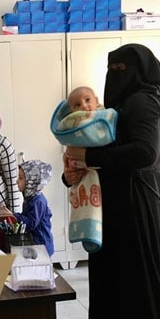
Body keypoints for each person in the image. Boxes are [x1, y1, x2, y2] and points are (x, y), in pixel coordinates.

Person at [64, 43, 160, 319]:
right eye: (112, 67)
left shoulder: (144, 101)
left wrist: (87, 156)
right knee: (110, 284)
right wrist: (73, 170)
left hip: (135, 209)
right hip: (110, 210)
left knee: (133, 288)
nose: (115, 74)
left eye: (122, 67)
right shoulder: (115, 108)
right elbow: (95, 158)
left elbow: (145, 152)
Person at [51, 86, 117, 252]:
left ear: (96, 100)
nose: (84, 107)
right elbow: (69, 160)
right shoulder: (72, 128)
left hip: (113, 195)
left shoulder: (106, 119)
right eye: (77, 105)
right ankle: (88, 231)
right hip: (85, 184)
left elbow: (117, 156)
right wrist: (68, 176)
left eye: (87, 100)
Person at [13, 160, 54, 257]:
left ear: (32, 182)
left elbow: (30, 223)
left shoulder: (38, 201)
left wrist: (13, 216)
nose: (17, 181)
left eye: (21, 178)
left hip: (41, 246)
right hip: (34, 244)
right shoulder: (29, 198)